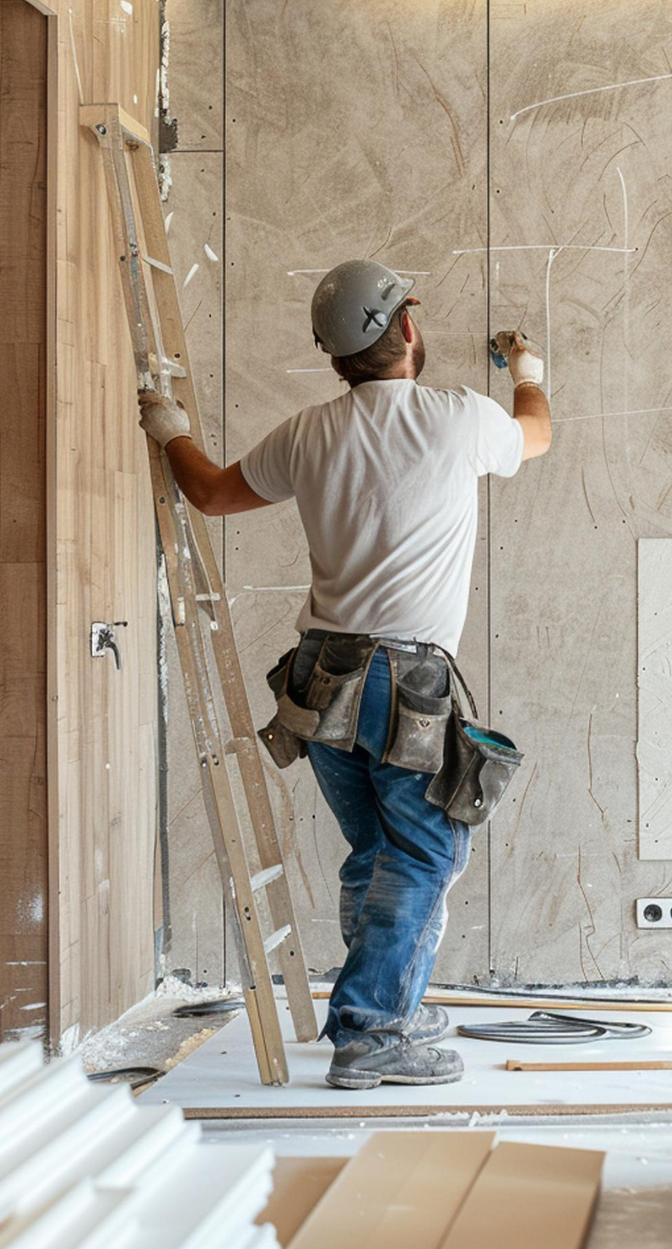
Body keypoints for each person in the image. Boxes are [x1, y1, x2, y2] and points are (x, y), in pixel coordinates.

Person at [137, 258, 551, 1089]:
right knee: (428, 852)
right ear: (406, 329)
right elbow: (535, 433)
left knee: (377, 851)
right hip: (405, 683)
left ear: (333, 355)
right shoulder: (458, 418)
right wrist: (528, 372)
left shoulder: (307, 433)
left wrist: (167, 427)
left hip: (320, 682)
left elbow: (212, 494)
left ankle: (390, 1001)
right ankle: (371, 1034)